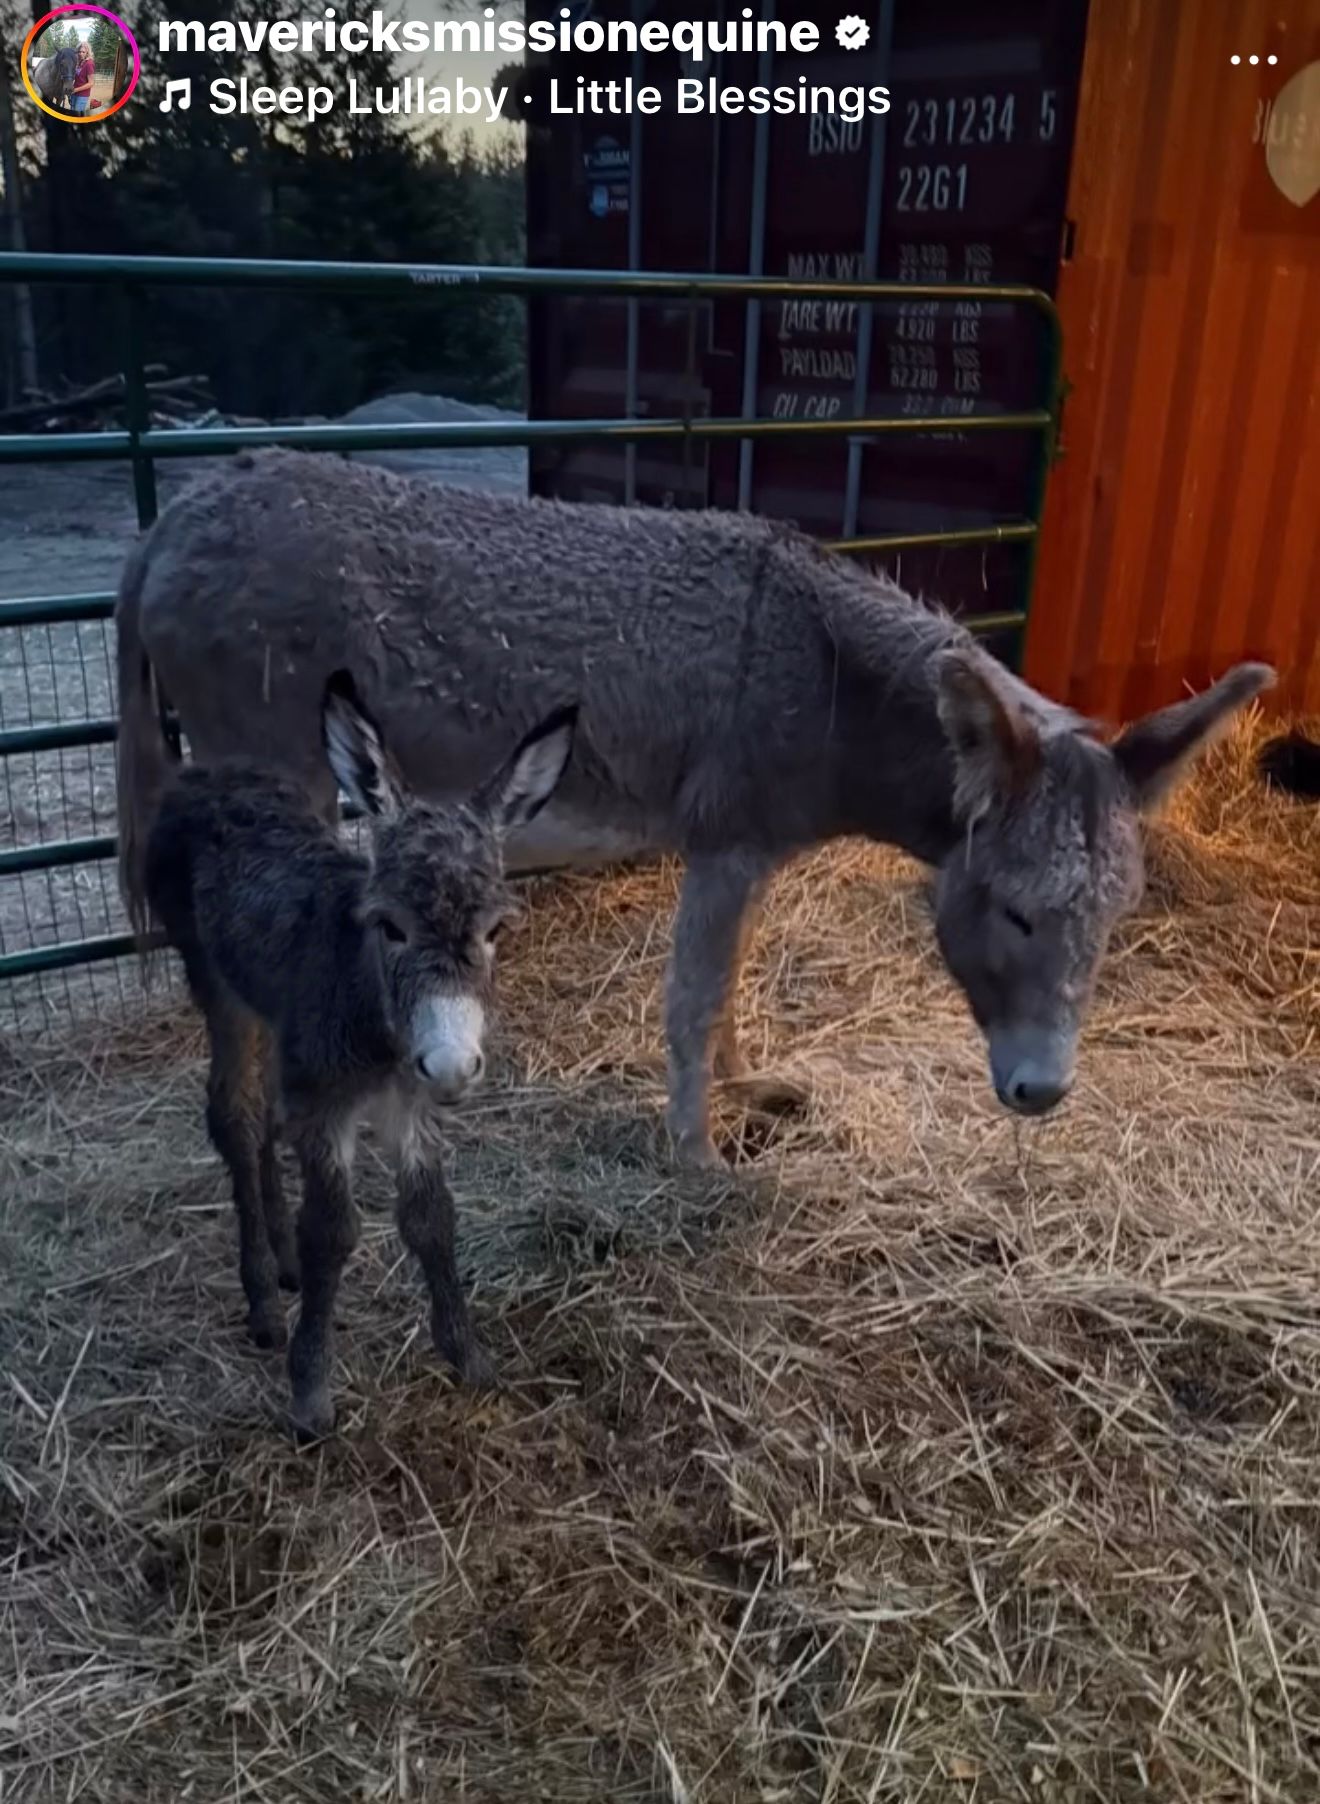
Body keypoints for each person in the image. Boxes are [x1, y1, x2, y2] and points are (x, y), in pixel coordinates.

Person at [70, 41, 94, 114]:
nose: (81, 54)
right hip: (74, 93)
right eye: (79, 52)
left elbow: (91, 83)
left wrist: (76, 89)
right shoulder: (79, 62)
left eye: (83, 52)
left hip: (82, 95)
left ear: (87, 52)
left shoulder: (89, 63)